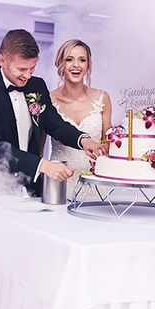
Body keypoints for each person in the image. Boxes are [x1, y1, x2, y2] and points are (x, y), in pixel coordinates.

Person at [0, 29, 103, 197]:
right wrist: (43, 165)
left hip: (29, 186)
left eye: (32, 68)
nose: (27, 75)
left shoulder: (36, 86)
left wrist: (83, 140)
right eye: (21, 69)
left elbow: (55, 123)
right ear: (1, 60)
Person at [47, 39, 112, 198]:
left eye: (82, 60)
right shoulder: (47, 100)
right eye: (69, 59)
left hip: (94, 185)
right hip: (57, 186)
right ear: (61, 63)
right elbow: (39, 149)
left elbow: (109, 144)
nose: (76, 65)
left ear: (88, 65)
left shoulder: (103, 98)